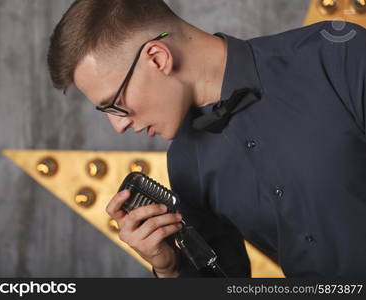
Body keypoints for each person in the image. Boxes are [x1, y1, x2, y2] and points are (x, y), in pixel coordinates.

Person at [47, 0, 366, 277]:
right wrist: (169, 267)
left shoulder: (339, 56)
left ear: (158, 58)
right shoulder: (186, 163)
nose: (118, 126)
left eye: (114, 104)